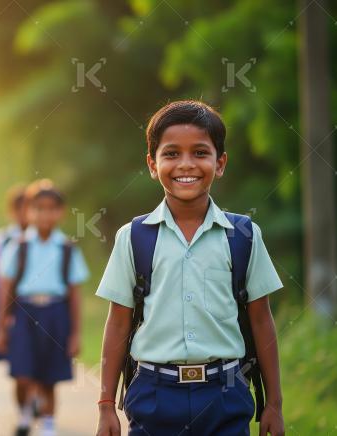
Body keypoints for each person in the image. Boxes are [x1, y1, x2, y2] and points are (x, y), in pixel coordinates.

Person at [95, 100, 286, 436]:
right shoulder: (134, 237)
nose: (186, 164)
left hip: (226, 394)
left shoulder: (243, 236)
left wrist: (274, 404)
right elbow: (118, 322)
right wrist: (106, 404)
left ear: (220, 162)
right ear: (152, 164)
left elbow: (260, 320)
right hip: (154, 395)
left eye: (200, 152)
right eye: (171, 154)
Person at [0, 179, 90, 436]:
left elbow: (75, 294)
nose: (44, 214)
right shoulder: (19, 246)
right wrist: (0, 328)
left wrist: (76, 333)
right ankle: (25, 415)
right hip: (25, 313)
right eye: (38, 208)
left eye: (51, 208)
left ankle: (48, 424)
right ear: (28, 211)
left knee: (50, 376)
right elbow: (5, 290)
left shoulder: (67, 249)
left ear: (60, 212)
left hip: (55, 314)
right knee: (22, 373)